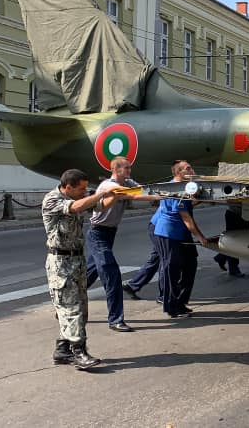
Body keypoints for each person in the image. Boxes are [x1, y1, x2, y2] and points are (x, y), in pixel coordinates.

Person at [42, 169, 121, 370]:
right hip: (60, 261)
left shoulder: (79, 197)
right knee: (71, 308)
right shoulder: (52, 199)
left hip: (76, 260)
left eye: (87, 188)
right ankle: (79, 352)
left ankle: (62, 349)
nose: (85, 192)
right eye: (82, 188)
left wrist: (115, 196)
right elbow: (76, 207)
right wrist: (101, 192)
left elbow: (100, 208)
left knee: (80, 308)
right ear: (68, 187)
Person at [84, 157, 159, 332]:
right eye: (126, 168)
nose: (129, 171)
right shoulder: (108, 186)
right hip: (97, 233)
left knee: (88, 275)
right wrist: (159, 195)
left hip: (110, 233)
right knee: (112, 275)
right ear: (116, 170)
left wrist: (161, 193)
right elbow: (134, 194)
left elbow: (141, 189)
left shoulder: (128, 181)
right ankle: (116, 319)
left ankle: (66, 304)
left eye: (129, 168)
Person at [149, 160, 209, 318]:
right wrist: (201, 237)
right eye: (188, 168)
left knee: (190, 264)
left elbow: (190, 205)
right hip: (169, 233)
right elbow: (186, 217)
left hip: (180, 232)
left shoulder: (185, 187)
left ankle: (181, 302)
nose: (192, 170)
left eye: (191, 166)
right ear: (178, 173)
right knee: (173, 270)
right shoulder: (175, 190)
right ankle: (172, 307)